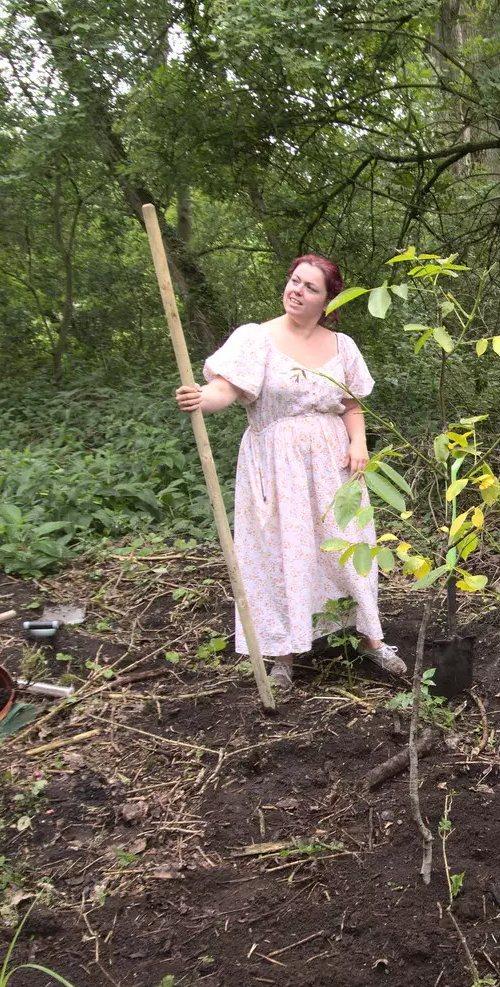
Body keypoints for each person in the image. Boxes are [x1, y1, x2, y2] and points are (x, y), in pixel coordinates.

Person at [175, 254, 407, 690]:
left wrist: (358, 442)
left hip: (334, 462)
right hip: (276, 465)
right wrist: (200, 398)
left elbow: (351, 404)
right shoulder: (254, 339)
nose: (296, 290)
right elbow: (225, 389)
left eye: (310, 287)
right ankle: (284, 653)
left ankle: (371, 639)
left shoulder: (342, 346)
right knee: (282, 550)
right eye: (294, 280)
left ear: (327, 300)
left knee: (348, 544)